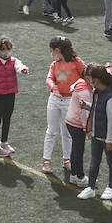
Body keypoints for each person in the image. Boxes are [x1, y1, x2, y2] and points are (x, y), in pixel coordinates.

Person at [79, 64, 112, 201]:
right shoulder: (98, 93)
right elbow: (97, 110)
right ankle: (91, 187)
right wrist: (86, 106)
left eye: (90, 78)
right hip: (98, 135)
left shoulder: (111, 98)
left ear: (96, 80)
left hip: (108, 137)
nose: (89, 80)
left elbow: (111, 121)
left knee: (111, 161)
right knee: (94, 161)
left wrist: (110, 140)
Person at [42, 36, 84, 175]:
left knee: (67, 133)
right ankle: (46, 161)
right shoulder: (54, 65)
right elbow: (49, 78)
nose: (52, 54)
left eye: (52, 51)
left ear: (58, 50)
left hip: (70, 101)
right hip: (54, 100)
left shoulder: (76, 62)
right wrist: (53, 87)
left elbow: (86, 76)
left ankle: (67, 160)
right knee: (52, 131)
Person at [0, 36, 28, 156]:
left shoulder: (14, 61)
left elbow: (19, 66)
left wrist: (23, 69)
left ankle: (4, 142)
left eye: (8, 49)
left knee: (7, 119)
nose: (6, 52)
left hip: (10, 95)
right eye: (3, 49)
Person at [64, 66, 95, 188]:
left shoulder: (79, 84)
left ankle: (73, 175)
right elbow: (83, 112)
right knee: (79, 151)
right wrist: (86, 128)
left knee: (75, 149)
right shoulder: (85, 91)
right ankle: (80, 177)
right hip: (77, 123)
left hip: (70, 120)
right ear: (88, 77)